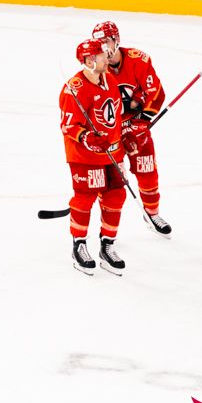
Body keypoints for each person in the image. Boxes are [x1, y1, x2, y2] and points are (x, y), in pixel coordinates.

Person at [93, 20, 171, 237]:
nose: (103, 47)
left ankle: (152, 213)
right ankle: (107, 230)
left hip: (136, 125)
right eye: (98, 43)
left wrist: (141, 123)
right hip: (111, 131)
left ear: (116, 40)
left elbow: (156, 93)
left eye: (106, 41)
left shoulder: (138, 60)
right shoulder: (94, 68)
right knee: (112, 185)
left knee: (147, 170)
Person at [60, 37, 128, 275]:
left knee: (116, 196)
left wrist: (125, 135)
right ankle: (78, 245)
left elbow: (115, 116)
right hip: (84, 156)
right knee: (85, 198)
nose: (106, 57)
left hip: (112, 153)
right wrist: (87, 137)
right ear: (89, 61)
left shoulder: (109, 79)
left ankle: (107, 246)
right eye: (100, 55)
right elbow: (68, 125)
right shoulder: (74, 88)